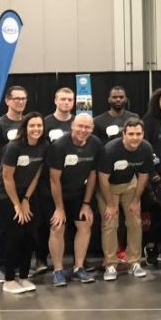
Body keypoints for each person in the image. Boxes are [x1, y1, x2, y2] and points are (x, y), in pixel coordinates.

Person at [0, 112, 48, 294]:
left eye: (39, 125)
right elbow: (7, 177)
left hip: (25, 195)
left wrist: (26, 199)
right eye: (32, 125)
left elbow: (36, 175)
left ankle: (23, 277)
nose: (36, 129)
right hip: (5, 195)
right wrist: (17, 204)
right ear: (25, 127)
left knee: (29, 235)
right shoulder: (14, 147)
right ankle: (8, 280)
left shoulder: (44, 146)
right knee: (14, 235)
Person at [46, 113, 100, 286]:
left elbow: (92, 175)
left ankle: (79, 267)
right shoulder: (59, 146)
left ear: (92, 128)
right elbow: (54, 180)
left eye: (87, 127)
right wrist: (59, 208)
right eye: (80, 126)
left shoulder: (95, 144)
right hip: (57, 194)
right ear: (72, 126)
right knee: (57, 227)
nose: (83, 130)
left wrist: (86, 203)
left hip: (79, 193)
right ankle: (58, 270)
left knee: (85, 224)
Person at [96, 118, 154, 281]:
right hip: (109, 187)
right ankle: (110, 264)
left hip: (130, 184)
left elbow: (143, 176)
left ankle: (134, 261)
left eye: (138, 134)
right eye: (131, 134)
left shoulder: (146, 148)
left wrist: (136, 201)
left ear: (143, 134)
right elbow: (102, 178)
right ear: (124, 134)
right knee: (110, 223)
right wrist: (110, 204)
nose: (135, 137)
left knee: (135, 221)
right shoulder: (110, 150)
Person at [0, 85, 28, 284]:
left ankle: (16, 264)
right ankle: (0, 266)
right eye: (16, 98)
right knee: (3, 227)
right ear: (8, 101)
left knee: (20, 228)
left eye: (23, 98)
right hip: (4, 184)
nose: (20, 102)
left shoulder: (28, 123)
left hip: (23, 184)